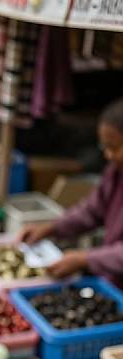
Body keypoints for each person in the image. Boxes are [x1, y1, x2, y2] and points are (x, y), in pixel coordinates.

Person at [20, 98, 123, 288]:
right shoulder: (116, 172)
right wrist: (51, 228)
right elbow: (92, 210)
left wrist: (85, 259)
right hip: (112, 283)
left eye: (114, 148)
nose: (108, 155)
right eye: (104, 147)